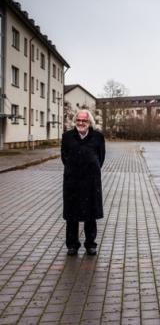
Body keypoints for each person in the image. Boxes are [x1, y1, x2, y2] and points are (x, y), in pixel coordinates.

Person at [61, 109, 106, 256]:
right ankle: (72, 245)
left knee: (90, 214)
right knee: (71, 215)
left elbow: (101, 158)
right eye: (78, 120)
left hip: (91, 182)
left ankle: (90, 244)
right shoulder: (67, 137)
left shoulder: (98, 137)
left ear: (89, 122)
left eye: (84, 121)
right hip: (72, 182)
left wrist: (90, 170)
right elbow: (64, 157)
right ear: (75, 121)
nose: (81, 123)